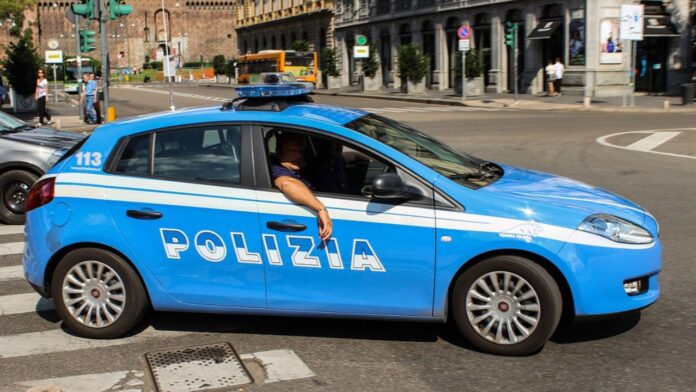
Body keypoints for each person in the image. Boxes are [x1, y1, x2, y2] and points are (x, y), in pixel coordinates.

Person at [272, 132, 332, 241]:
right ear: (279, 152)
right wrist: (320, 209)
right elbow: (286, 184)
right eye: (291, 151)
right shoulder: (279, 172)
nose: (298, 155)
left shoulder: (299, 168)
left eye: (300, 151)